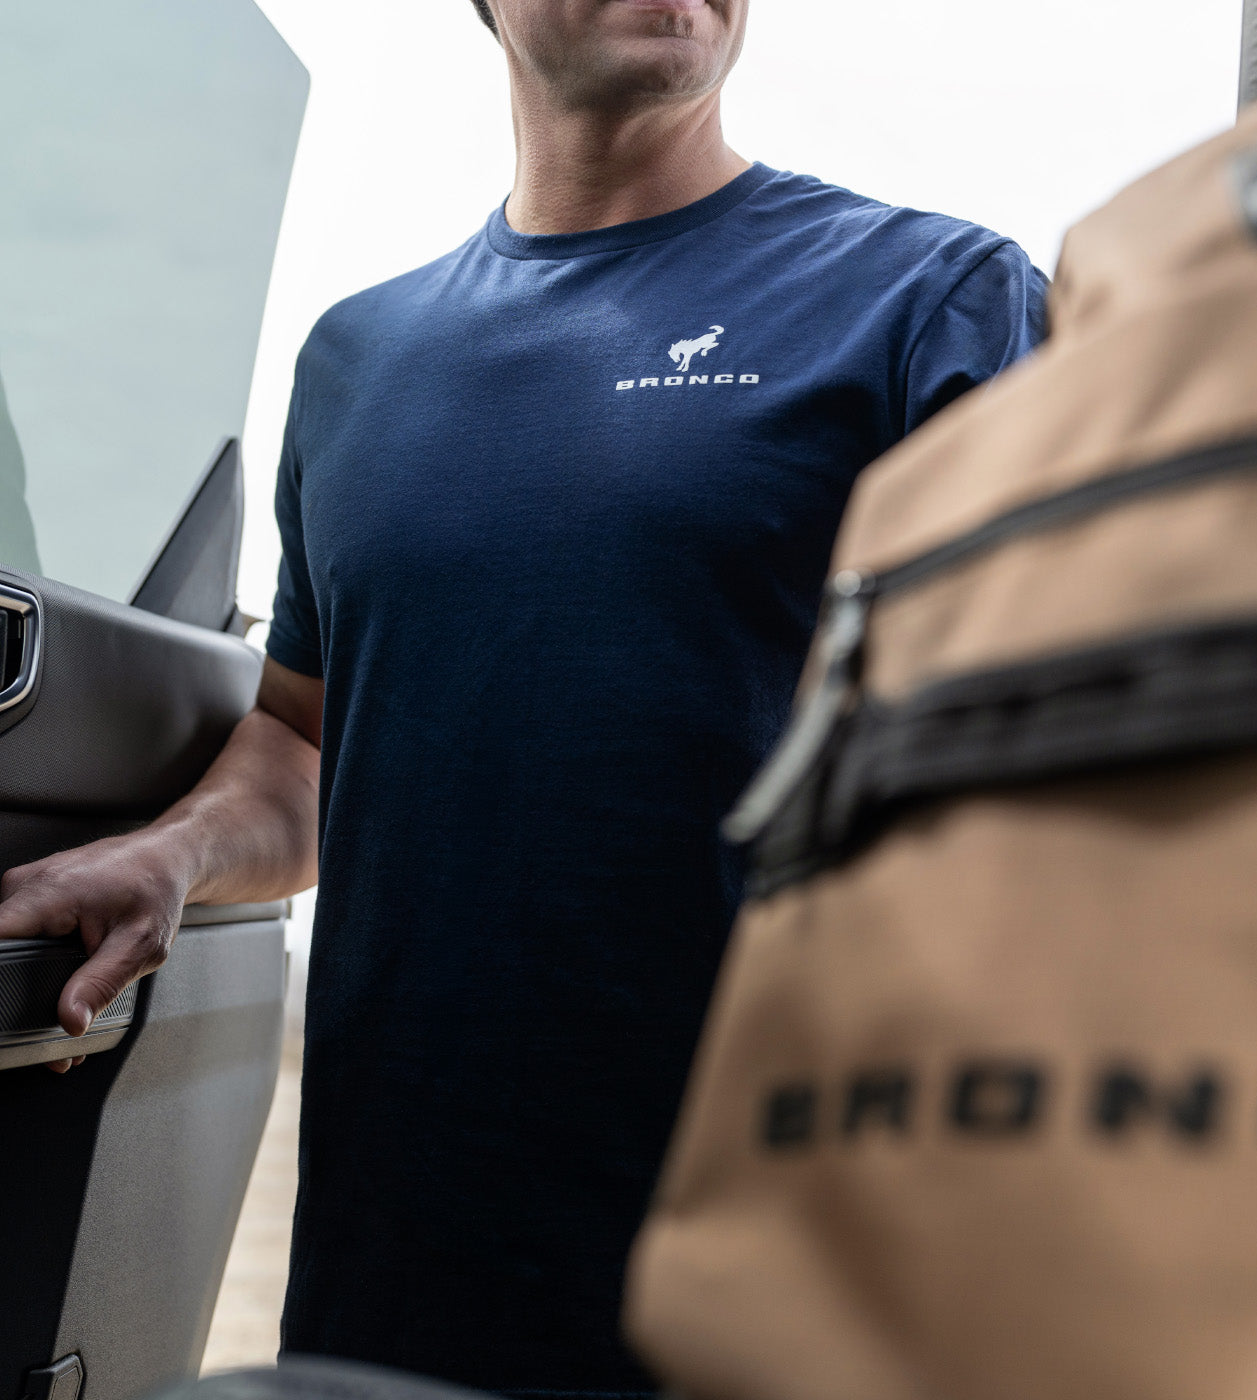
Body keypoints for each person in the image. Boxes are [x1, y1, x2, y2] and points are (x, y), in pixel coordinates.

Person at [0, 0, 1046, 1394]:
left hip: (778, 1274)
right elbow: (309, 742)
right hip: (405, 1260)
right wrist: (176, 854)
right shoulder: (359, 360)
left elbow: (1048, 785)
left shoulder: (932, 297)